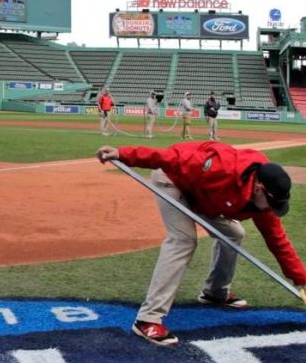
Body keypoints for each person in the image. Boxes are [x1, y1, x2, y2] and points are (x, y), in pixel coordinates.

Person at [96, 141, 306, 346]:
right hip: (173, 180)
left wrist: (301, 279)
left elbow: (277, 241)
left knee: (234, 233)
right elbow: (171, 158)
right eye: (272, 204)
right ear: (259, 189)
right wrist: (123, 154)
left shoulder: (264, 200)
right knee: (183, 240)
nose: (272, 209)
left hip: (204, 197)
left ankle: (215, 293)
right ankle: (148, 319)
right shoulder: (222, 167)